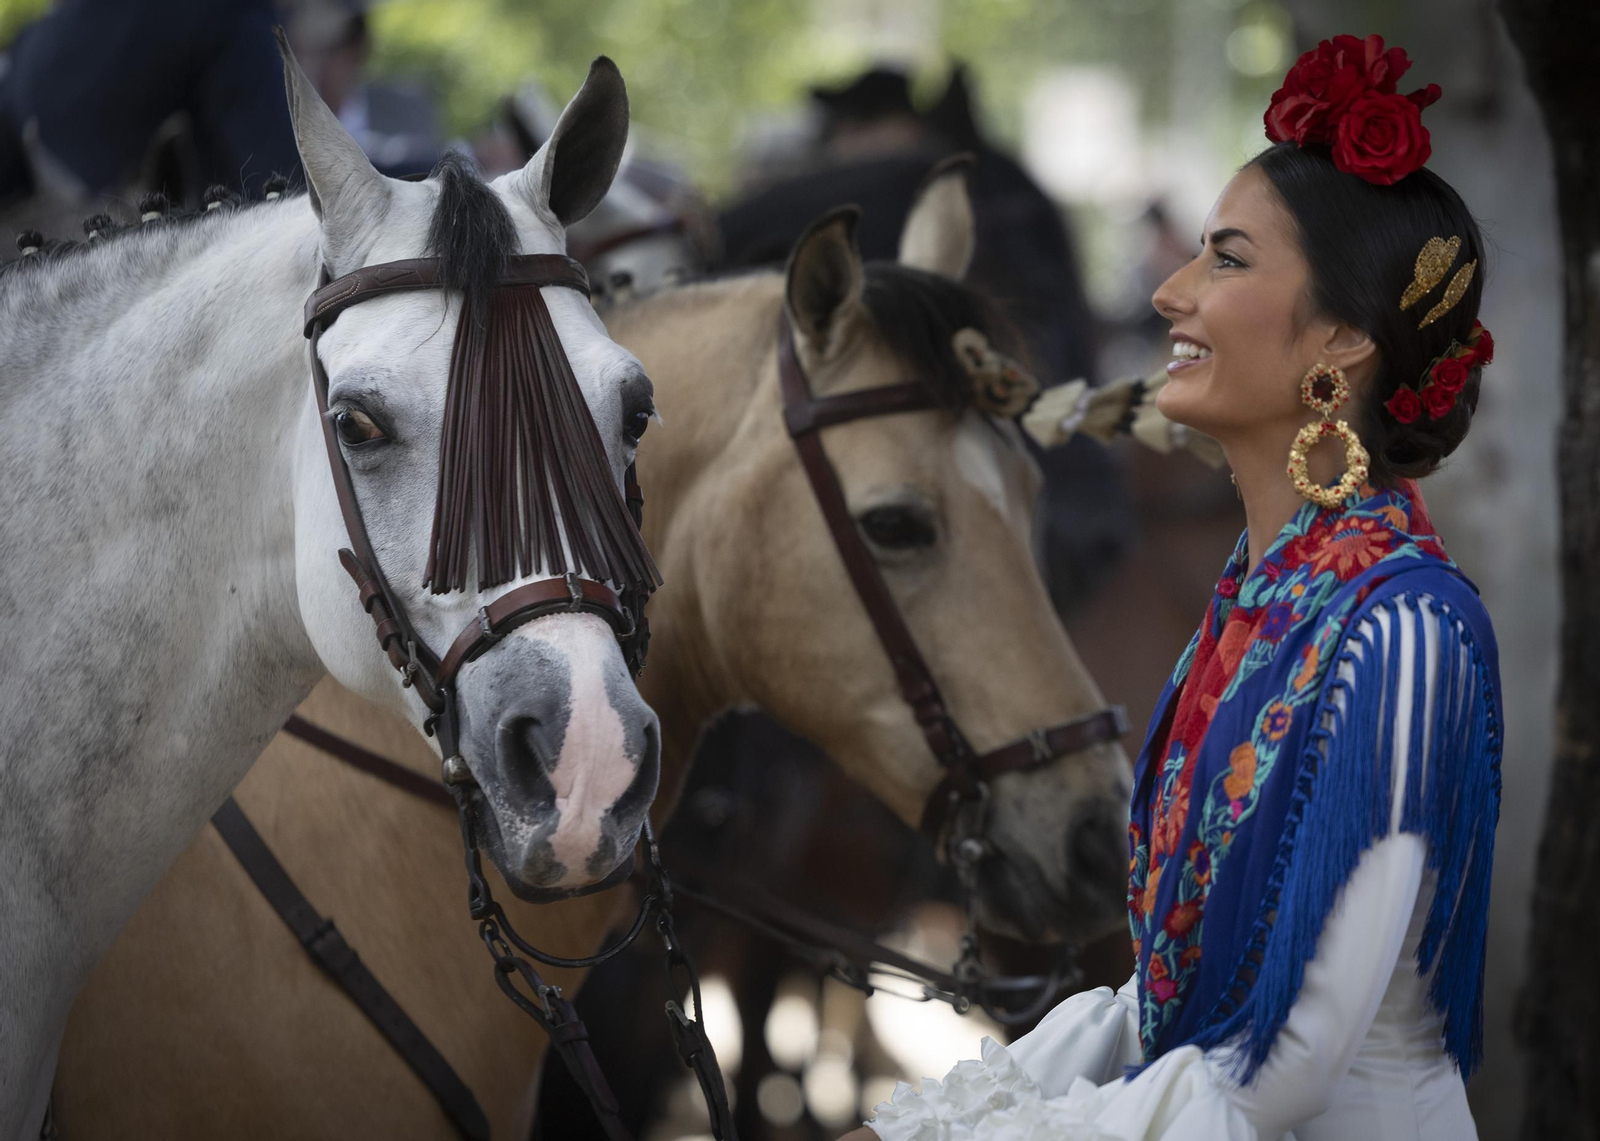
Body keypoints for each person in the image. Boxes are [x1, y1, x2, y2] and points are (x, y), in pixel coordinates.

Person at [842, 34, 1502, 1141]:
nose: (1169, 289)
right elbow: (1160, 1009)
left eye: (1228, 260)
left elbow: (1277, 1071)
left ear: (1336, 341)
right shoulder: (1255, 607)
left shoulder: (1406, 632)